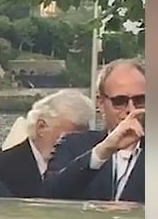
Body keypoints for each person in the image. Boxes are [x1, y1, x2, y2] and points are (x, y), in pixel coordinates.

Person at [45, 59, 146, 202]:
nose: (131, 109)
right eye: (119, 101)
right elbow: (50, 195)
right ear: (101, 104)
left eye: (140, 100)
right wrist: (102, 152)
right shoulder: (73, 145)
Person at [0, 89, 91, 198]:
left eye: (82, 138)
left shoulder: (88, 172)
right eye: (69, 138)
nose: (77, 145)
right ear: (41, 127)